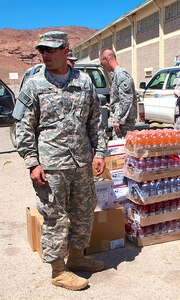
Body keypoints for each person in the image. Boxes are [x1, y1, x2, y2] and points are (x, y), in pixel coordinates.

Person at [12, 31, 109, 291]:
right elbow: (24, 127)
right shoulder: (34, 85)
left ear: (66, 50)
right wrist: (32, 162)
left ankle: (77, 257)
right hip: (51, 165)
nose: (45, 54)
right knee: (55, 217)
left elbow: (95, 123)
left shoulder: (85, 82)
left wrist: (100, 153)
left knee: (83, 212)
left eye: (51, 49)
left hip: (81, 163)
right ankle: (58, 270)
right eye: (42, 50)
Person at [99, 48, 137, 139]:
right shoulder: (116, 74)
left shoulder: (121, 74)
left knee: (122, 148)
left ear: (106, 59)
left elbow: (126, 99)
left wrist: (118, 119)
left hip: (124, 124)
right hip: (122, 122)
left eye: (101, 63)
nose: (102, 66)